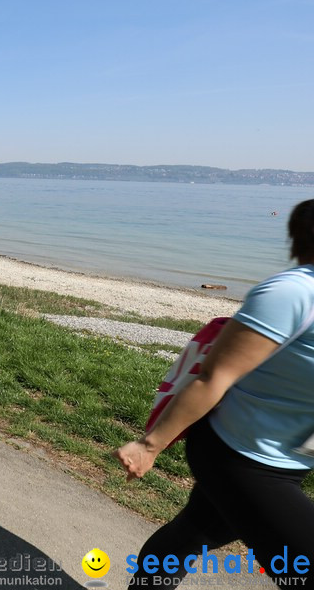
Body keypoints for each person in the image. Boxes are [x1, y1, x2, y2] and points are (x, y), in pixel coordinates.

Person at [114, 199, 314, 587]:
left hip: (286, 459)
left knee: (195, 533)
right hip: (238, 455)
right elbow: (212, 378)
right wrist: (149, 445)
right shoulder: (292, 294)